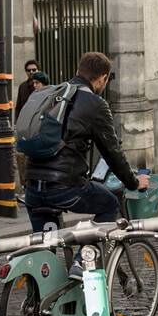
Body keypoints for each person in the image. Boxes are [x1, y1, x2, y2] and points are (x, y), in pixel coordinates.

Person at [23, 51, 149, 278]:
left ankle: (39, 301)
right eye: (106, 80)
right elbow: (112, 152)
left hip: (32, 186)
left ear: (78, 71)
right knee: (109, 205)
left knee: (45, 247)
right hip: (64, 188)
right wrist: (132, 182)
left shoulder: (55, 94)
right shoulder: (94, 103)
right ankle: (83, 262)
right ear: (102, 78)